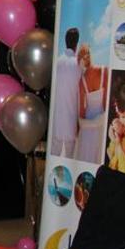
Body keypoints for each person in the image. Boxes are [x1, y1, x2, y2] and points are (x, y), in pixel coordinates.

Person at [50, 27, 82, 158]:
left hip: (56, 119)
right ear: (77, 43)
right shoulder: (78, 65)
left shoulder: (56, 62)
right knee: (69, 160)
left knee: (53, 157)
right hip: (71, 118)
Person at [74, 43, 107, 164]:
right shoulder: (83, 80)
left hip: (93, 125)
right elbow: (82, 111)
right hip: (95, 124)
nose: (87, 57)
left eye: (87, 53)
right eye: (84, 55)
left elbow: (82, 112)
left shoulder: (103, 71)